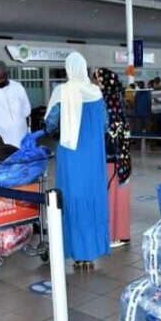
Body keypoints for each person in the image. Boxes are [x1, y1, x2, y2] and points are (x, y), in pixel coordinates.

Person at [45, 52, 109, 270]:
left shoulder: (61, 92)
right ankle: (91, 251)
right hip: (93, 154)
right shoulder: (96, 92)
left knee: (72, 196)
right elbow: (105, 125)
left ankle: (75, 252)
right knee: (92, 194)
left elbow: (50, 124)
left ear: (68, 69)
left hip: (71, 154)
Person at [94, 68, 131, 248]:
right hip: (123, 155)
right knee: (121, 192)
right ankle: (122, 234)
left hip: (110, 155)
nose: (97, 84)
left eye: (99, 81)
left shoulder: (105, 102)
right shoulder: (119, 99)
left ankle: (113, 235)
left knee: (112, 194)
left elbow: (103, 127)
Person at [0, 61, 31, 147]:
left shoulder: (18, 87)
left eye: (1, 78)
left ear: (7, 74)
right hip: (0, 140)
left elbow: (27, 110)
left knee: (21, 159)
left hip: (21, 138)